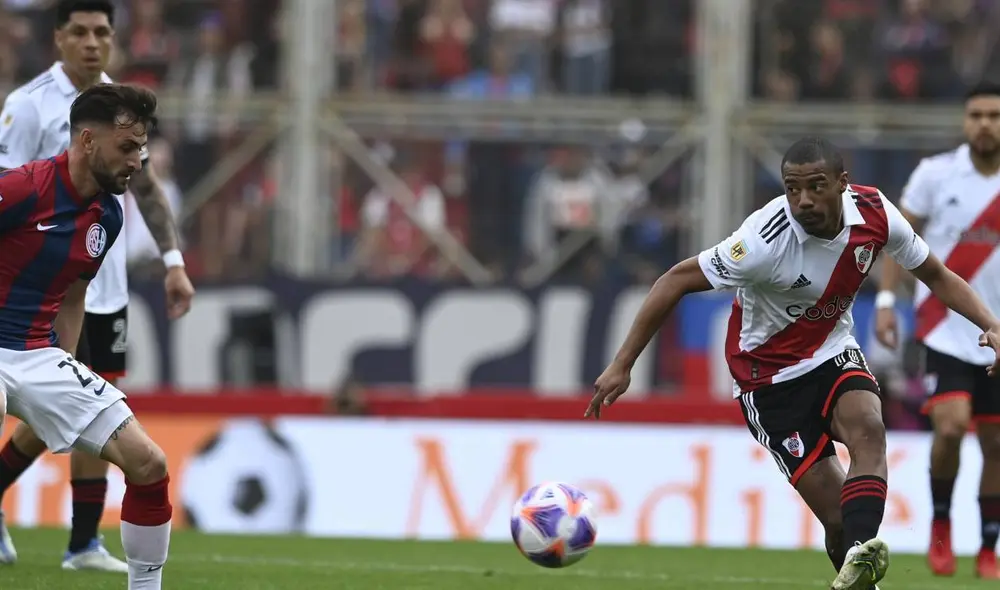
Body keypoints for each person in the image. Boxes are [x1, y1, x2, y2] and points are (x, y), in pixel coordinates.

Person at [586, 137, 1000, 590]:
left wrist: (991, 324)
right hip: (768, 380)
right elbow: (675, 280)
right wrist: (622, 364)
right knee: (837, 518)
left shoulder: (876, 213)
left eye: (816, 186)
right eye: (792, 188)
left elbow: (936, 274)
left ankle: (861, 556)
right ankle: (858, 562)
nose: (803, 200)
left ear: (842, 183)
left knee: (868, 428)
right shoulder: (763, 241)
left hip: (831, 351)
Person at [0, 0, 194, 572]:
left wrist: (174, 260)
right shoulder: (28, 107)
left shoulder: (119, 123)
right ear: (59, 38)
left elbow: (144, 192)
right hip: (20, 296)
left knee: (111, 428)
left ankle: (85, 543)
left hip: (81, 297)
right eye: (81, 31)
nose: (93, 43)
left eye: (103, 32)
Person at [875, 81, 1000, 579]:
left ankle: (988, 546)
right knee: (949, 428)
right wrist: (887, 301)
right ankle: (942, 526)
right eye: (977, 115)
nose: (985, 124)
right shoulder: (936, 173)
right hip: (945, 328)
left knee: (996, 444)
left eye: (994, 116)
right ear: (965, 121)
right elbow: (897, 238)